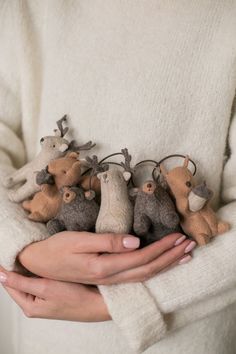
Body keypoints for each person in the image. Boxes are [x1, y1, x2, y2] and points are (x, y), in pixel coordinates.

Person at [0, 1, 236, 353]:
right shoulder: (28, 8)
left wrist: (128, 303)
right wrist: (22, 246)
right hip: (47, 334)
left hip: (189, 340)